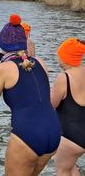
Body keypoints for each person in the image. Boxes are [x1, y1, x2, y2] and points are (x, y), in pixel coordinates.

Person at [0, 14, 61, 176]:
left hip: (27, 135)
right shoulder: (40, 62)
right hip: (53, 132)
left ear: (2, 44)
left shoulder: (4, 68)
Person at [51, 38, 85, 176]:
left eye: (59, 55)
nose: (57, 58)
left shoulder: (63, 78)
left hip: (70, 137)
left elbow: (52, 104)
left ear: (66, 58)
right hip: (82, 133)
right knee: (71, 168)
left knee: (62, 171)